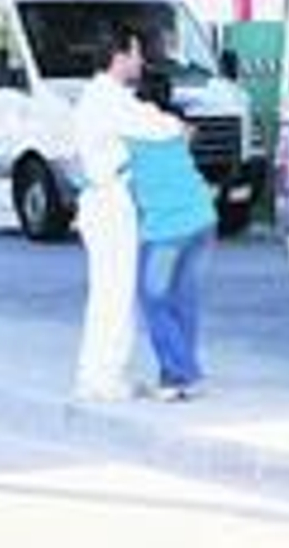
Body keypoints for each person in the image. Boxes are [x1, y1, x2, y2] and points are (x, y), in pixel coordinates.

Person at [71, 23, 186, 402]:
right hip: (108, 201)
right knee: (114, 293)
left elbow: (143, 117)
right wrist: (178, 127)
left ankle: (100, 373)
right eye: (136, 53)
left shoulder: (102, 96)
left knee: (109, 291)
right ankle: (104, 378)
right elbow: (152, 126)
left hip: (105, 200)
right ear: (119, 57)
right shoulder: (109, 99)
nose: (141, 60)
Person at [125, 121, 217, 402]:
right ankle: (174, 377)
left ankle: (184, 374)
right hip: (203, 220)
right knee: (185, 302)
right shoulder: (172, 131)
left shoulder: (128, 138)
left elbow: (92, 176)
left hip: (167, 229)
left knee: (154, 301)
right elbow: (189, 134)